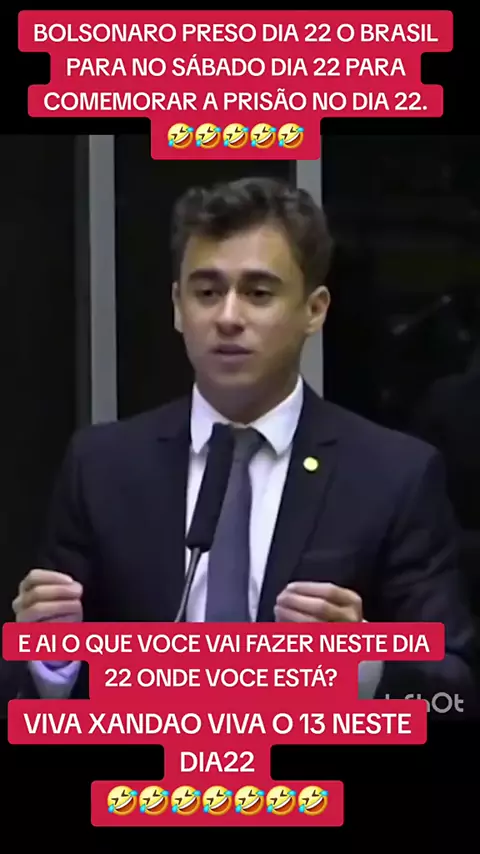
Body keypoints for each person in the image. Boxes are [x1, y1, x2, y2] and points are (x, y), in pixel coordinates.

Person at [10, 176, 478, 715]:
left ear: (314, 310)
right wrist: (53, 663)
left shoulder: (393, 474)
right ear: (178, 306)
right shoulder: (102, 466)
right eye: (207, 293)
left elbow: (454, 691)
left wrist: (362, 667)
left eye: (258, 293)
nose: (228, 317)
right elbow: (39, 682)